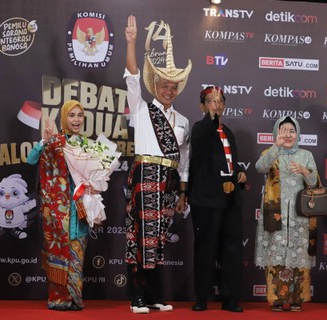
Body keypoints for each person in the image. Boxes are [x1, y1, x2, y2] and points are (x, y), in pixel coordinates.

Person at [123, 15, 191, 314]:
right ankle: (137, 297)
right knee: (141, 236)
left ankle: (152, 296)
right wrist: (132, 42)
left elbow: (184, 159)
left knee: (159, 238)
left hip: (169, 180)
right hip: (144, 174)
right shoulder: (141, 108)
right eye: (164, 85)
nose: (168, 90)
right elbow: (131, 76)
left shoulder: (184, 121)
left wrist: (183, 192)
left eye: (173, 87)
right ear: (155, 85)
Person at [188, 87, 247, 313]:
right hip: (206, 200)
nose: (216, 104)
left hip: (230, 198)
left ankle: (230, 297)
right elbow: (200, 149)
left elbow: (230, 162)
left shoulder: (229, 133)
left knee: (232, 249)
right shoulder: (200, 129)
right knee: (205, 249)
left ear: (224, 104)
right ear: (203, 106)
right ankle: (202, 297)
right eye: (210, 101)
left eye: (219, 101)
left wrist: (239, 175)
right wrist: (210, 120)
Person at [27, 100, 90, 311]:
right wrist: (43, 142)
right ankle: (58, 298)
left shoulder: (87, 145)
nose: (76, 120)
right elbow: (31, 159)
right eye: (71, 115)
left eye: (79, 115)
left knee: (77, 253)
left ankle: (74, 298)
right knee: (58, 252)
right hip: (57, 211)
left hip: (80, 208)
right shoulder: (54, 142)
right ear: (64, 118)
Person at [254, 115, 318, 312]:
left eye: (292, 131)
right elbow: (259, 167)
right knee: (277, 253)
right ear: (277, 133)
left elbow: (315, 183)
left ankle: (297, 298)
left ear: (297, 133)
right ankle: (278, 300)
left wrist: (305, 171)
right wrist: (276, 147)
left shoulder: (306, 155)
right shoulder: (271, 152)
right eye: (284, 131)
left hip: (300, 214)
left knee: (298, 254)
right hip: (276, 213)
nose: (288, 135)